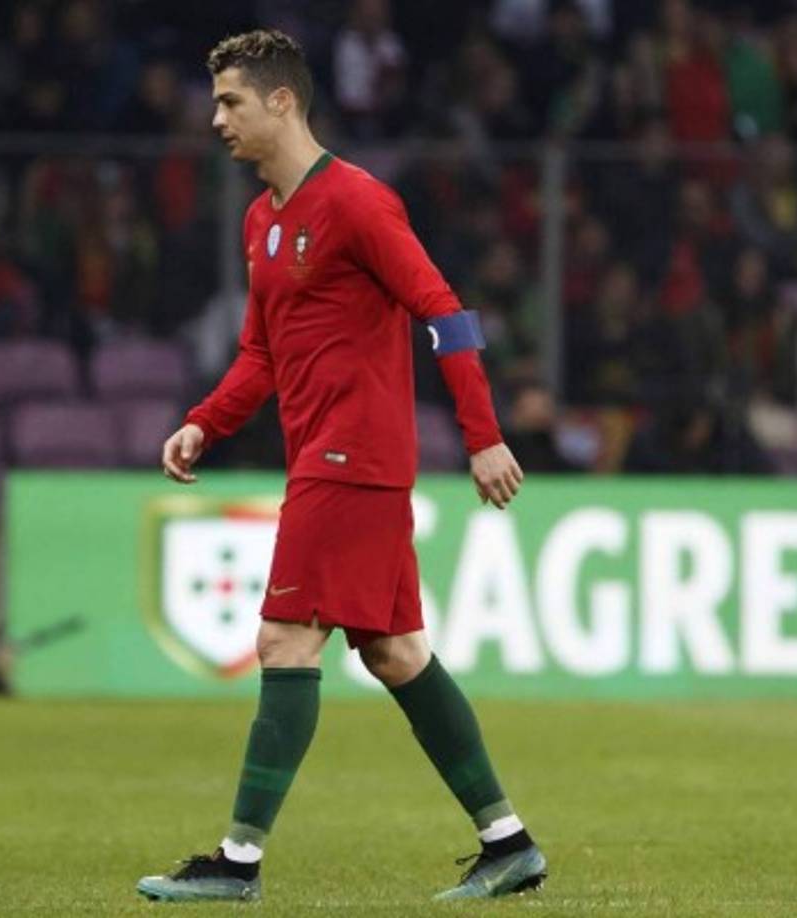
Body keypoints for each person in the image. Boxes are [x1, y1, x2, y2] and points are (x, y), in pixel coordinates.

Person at [138, 30, 545, 904]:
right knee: (396, 653)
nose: (216, 121)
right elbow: (261, 355)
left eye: (230, 103)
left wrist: (482, 433)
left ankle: (237, 863)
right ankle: (507, 841)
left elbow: (445, 313)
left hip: (351, 457)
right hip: (322, 454)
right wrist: (204, 424)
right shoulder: (261, 220)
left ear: (282, 102)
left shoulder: (358, 203)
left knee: (285, 639)